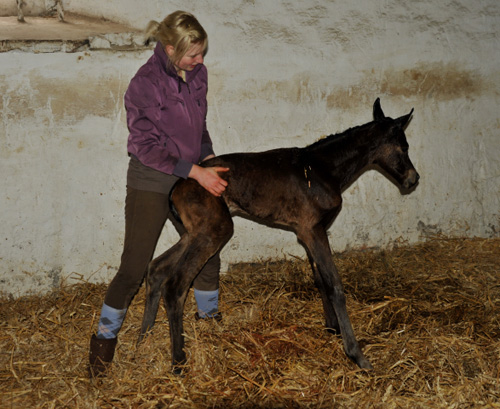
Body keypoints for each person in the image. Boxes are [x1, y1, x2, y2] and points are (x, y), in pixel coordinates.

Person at [88, 10, 228, 377]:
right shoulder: (144, 84)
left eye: (202, 53)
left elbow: (199, 127)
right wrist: (196, 171)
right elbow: (145, 146)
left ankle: (210, 327)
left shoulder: (197, 75)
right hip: (152, 176)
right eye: (192, 55)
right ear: (169, 48)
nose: (200, 62)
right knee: (133, 268)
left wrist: (209, 158)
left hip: (190, 173)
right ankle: (102, 351)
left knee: (207, 246)